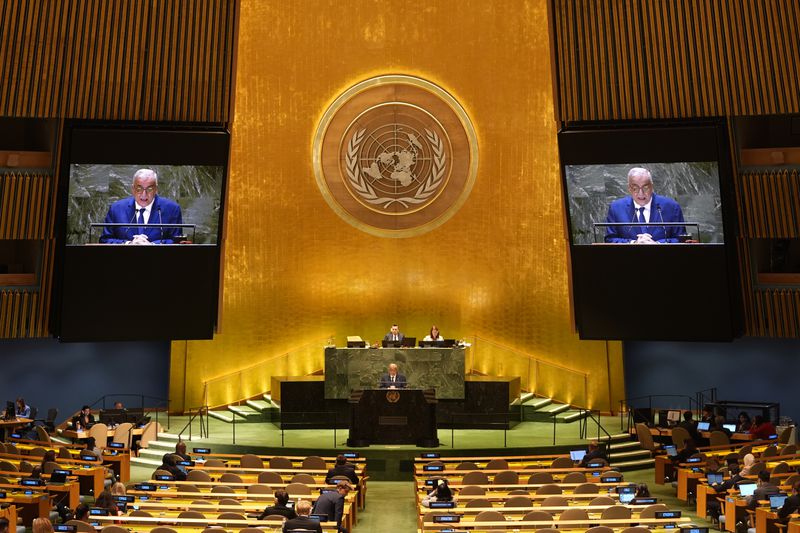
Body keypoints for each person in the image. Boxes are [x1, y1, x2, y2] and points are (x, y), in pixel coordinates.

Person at [99, 168, 183, 244]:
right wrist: (128, 244)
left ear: (156, 189)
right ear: (133, 189)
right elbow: (105, 240)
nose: (144, 194)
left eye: (149, 189)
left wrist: (153, 245)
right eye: (139, 189)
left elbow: (177, 241)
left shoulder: (172, 209)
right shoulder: (116, 209)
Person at [604, 167, 686, 243]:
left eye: (645, 188)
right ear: (629, 188)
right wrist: (633, 243)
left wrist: (657, 244)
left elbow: (681, 239)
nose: (641, 193)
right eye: (635, 188)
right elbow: (610, 239)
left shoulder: (671, 207)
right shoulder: (616, 208)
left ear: (652, 186)